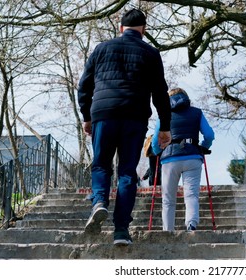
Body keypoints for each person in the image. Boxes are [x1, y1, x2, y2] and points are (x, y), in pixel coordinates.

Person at [77, 8, 172, 245]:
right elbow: (160, 93)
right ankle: (121, 230)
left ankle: (99, 201)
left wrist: (87, 116)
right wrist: (165, 127)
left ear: (121, 28)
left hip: (104, 115)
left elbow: (84, 87)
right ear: (144, 30)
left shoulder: (101, 49)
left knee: (101, 164)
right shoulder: (151, 53)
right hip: (134, 117)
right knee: (127, 172)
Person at [152, 88, 214, 232]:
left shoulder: (163, 115)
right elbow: (209, 135)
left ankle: (168, 231)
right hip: (192, 156)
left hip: (169, 159)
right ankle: (191, 224)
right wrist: (203, 147)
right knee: (191, 194)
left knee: (168, 199)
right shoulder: (197, 112)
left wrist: (158, 152)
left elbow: (155, 141)